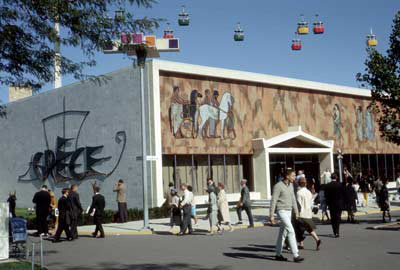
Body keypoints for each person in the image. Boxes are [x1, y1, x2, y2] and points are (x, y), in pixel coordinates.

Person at [270, 170, 304, 263]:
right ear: (287, 176)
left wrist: (296, 212)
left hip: (289, 211)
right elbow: (274, 201)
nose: (294, 177)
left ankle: (278, 254)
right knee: (291, 231)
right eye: (293, 176)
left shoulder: (291, 186)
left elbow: (293, 199)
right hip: (281, 211)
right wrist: (271, 215)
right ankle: (296, 255)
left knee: (283, 233)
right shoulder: (278, 186)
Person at [296, 178, 321, 251]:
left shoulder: (298, 193)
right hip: (308, 213)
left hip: (301, 214)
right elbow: (311, 203)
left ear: (299, 184)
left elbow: (298, 204)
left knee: (298, 229)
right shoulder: (309, 192)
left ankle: (301, 244)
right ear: (306, 184)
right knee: (309, 228)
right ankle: (317, 239)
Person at [324, 172, 344, 238]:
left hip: (331, 203)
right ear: (336, 177)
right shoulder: (340, 185)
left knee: (333, 217)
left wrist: (327, 203)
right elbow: (343, 195)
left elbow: (326, 196)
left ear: (331, 178)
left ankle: (334, 231)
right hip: (339, 203)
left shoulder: (327, 185)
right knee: (338, 217)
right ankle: (337, 231)